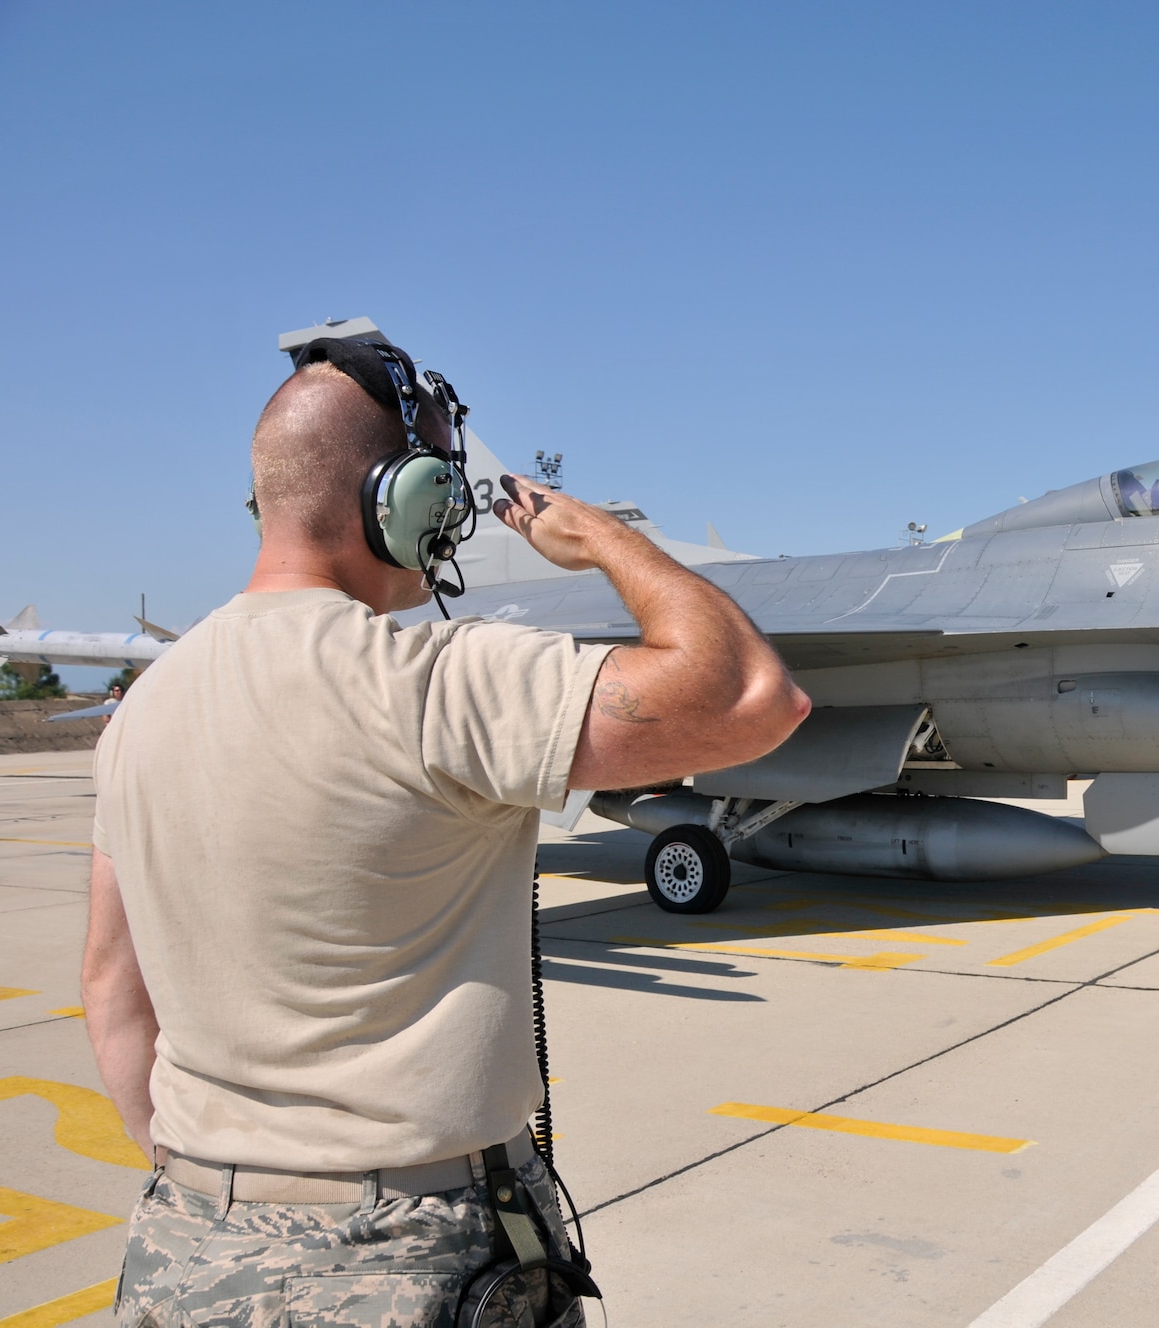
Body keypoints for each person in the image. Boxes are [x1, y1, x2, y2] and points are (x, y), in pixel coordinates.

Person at [82, 341, 809, 1326]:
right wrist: (608, 541)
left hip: (184, 1250)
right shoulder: (438, 680)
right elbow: (754, 697)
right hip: (413, 1256)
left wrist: (213, 1186)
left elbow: (111, 991)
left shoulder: (138, 713)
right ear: (404, 498)